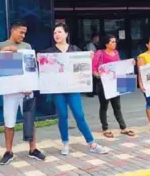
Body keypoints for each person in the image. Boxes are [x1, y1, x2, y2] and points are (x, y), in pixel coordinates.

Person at [42, 23, 108, 155]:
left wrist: (88, 57)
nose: (57, 35)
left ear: (66, 34)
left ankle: (91, 143)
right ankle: (65, 143)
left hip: (73, 89)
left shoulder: (74, 49)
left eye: (59, 32)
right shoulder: (49, 52)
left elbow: (82, 67)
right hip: (58, 90)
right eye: (55, 33)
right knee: (62, 116)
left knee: (79, 115)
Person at [0, 20, 46, 165]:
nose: (23, 35)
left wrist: (30, 84)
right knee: (9, 121)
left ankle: (33, 148)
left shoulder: (27, 47)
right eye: (21, 32)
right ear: (13, 30)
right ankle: (8, 151)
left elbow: (30, 68)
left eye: (25, 33)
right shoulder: (1, 45)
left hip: (26, 91)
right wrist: (4, 53)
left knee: (29, 120)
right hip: (9, 92)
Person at [92, 34, 135, 138]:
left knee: (117, 106)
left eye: (115, 42)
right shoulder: (99, 53)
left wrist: (130, 64)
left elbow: (120, 66)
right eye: (112, 42)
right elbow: (93, 67)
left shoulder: (116, 53)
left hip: (115, 83)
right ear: (106, 43)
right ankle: (105, 128)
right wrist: (96, 74)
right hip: (103, 84)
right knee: (104, 106)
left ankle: (123, 127)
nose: (114, 43)